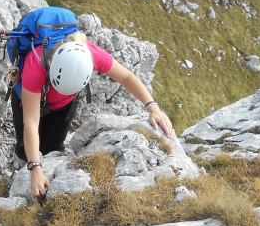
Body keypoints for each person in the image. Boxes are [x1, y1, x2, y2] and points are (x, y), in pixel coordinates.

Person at [12, 32, 175, 199]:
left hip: (64, 104)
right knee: (25, 149)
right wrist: (34, 167)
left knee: (53, 146)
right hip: (28, 98)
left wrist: (153, 107)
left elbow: (126, 77)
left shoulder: (89, 55)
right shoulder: (35, 64)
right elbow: (31, 122)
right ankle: (21, 171)